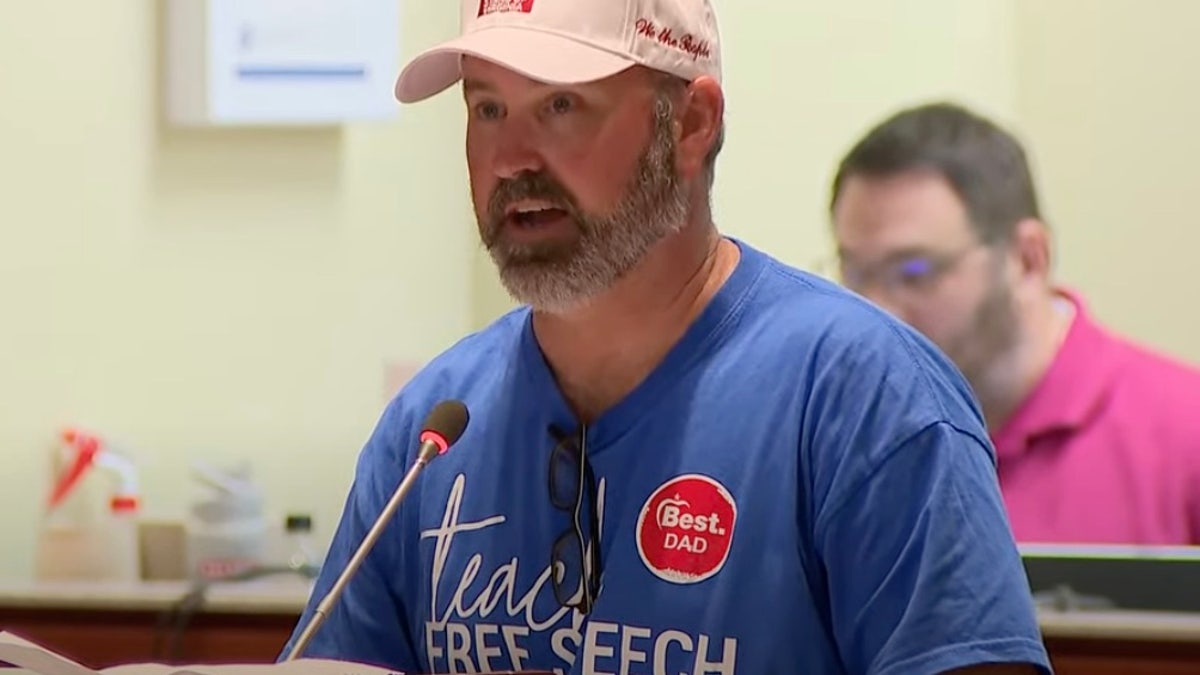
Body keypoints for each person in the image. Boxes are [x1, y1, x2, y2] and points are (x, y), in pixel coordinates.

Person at [282, 2, 1051, 673]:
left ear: (690, 124)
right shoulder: (435, 425)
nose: (511, 158)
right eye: (487, 110)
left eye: (560, 106)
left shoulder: (867, 397)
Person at [828, 101, 1200, 546]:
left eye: (913, 273)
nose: (874, 311)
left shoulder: (1184, 437)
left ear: (1027, 259)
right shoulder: (842, 438)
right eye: (855, 273)